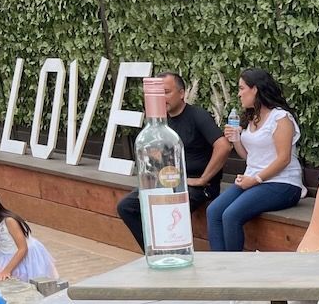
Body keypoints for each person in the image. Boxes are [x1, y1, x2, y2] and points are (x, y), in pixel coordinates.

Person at [116, 70, 229, 252]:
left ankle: (169, 250)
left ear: (182, 93)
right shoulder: (160, 122)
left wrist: (202, 179)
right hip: (168, 181)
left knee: (165, 211)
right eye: (158, 93)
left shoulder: (198, 116)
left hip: (198, 187)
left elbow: (223, 146)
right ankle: (156, 252)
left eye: (166, 92)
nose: (162, 98)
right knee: (127, 206)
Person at [206, 68, 306, 251]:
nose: (239, 94)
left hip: (282, 184)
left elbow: (283, 159)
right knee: (214, 211)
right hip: (253, 180)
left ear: (255, 89)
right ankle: (219, 267)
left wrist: (256, 179)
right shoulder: (253, 118)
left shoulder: (281, 118)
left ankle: (234, 270)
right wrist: (236, 139)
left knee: (231, 215)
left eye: (242, 88)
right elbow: (249, 157)